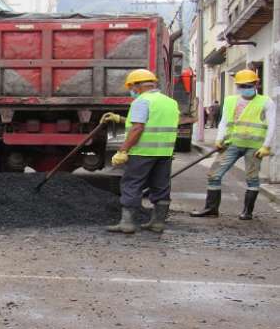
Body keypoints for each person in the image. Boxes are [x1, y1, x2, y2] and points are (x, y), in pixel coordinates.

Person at [102, 69, 180, 234]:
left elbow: (138, 127)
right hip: (164, 153)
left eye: (132, 87)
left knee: (132, 184)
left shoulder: (142, 102)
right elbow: (153, 122)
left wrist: (123, 150)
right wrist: (119, 119)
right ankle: (158, 223)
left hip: (142, 152)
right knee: (160, 186)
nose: (132, 90)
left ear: (137, 86)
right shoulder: (170, 102)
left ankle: (127, 223)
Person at [191, 69, 276, 220]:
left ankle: (247, 212)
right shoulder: (230, 101)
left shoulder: (266, 101)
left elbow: (272, 125)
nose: (245, 88)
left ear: (256, 84)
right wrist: (219, 138)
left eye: (248, 85)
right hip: (232, 144)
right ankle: (211, 209)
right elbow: (224, 122)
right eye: (241, 85)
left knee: (252, 178)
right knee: (214, 175)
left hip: (254, 147)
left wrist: (266, 146)